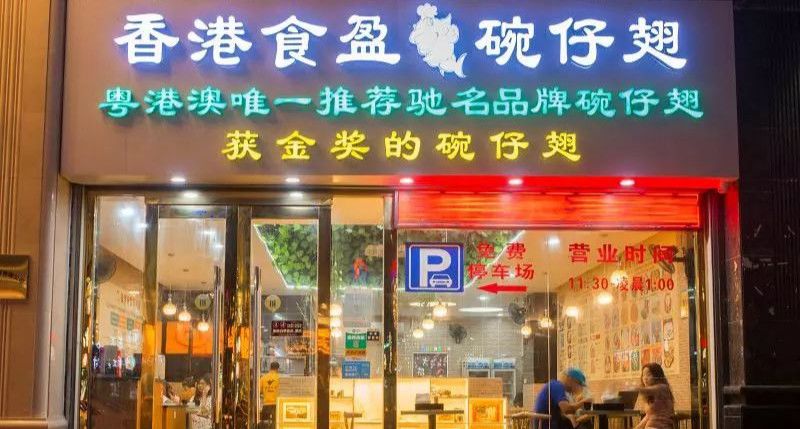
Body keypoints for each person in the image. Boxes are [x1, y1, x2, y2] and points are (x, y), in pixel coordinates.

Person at [634, 363, 675, 429]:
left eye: (648, 375)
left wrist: (632, 387)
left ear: (657, 376)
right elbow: (648, 416)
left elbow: (646, 390)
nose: (645, 378)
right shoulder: (650, 395)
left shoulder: (663, 388)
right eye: (643, 375)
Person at [259, 362, 281, 429]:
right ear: (277, 369)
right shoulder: (279, 378)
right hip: (276, 405)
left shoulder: (263, 378)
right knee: (275, 424)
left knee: (264, 425)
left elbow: (259, 391)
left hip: (266, 405)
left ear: (270, 368)